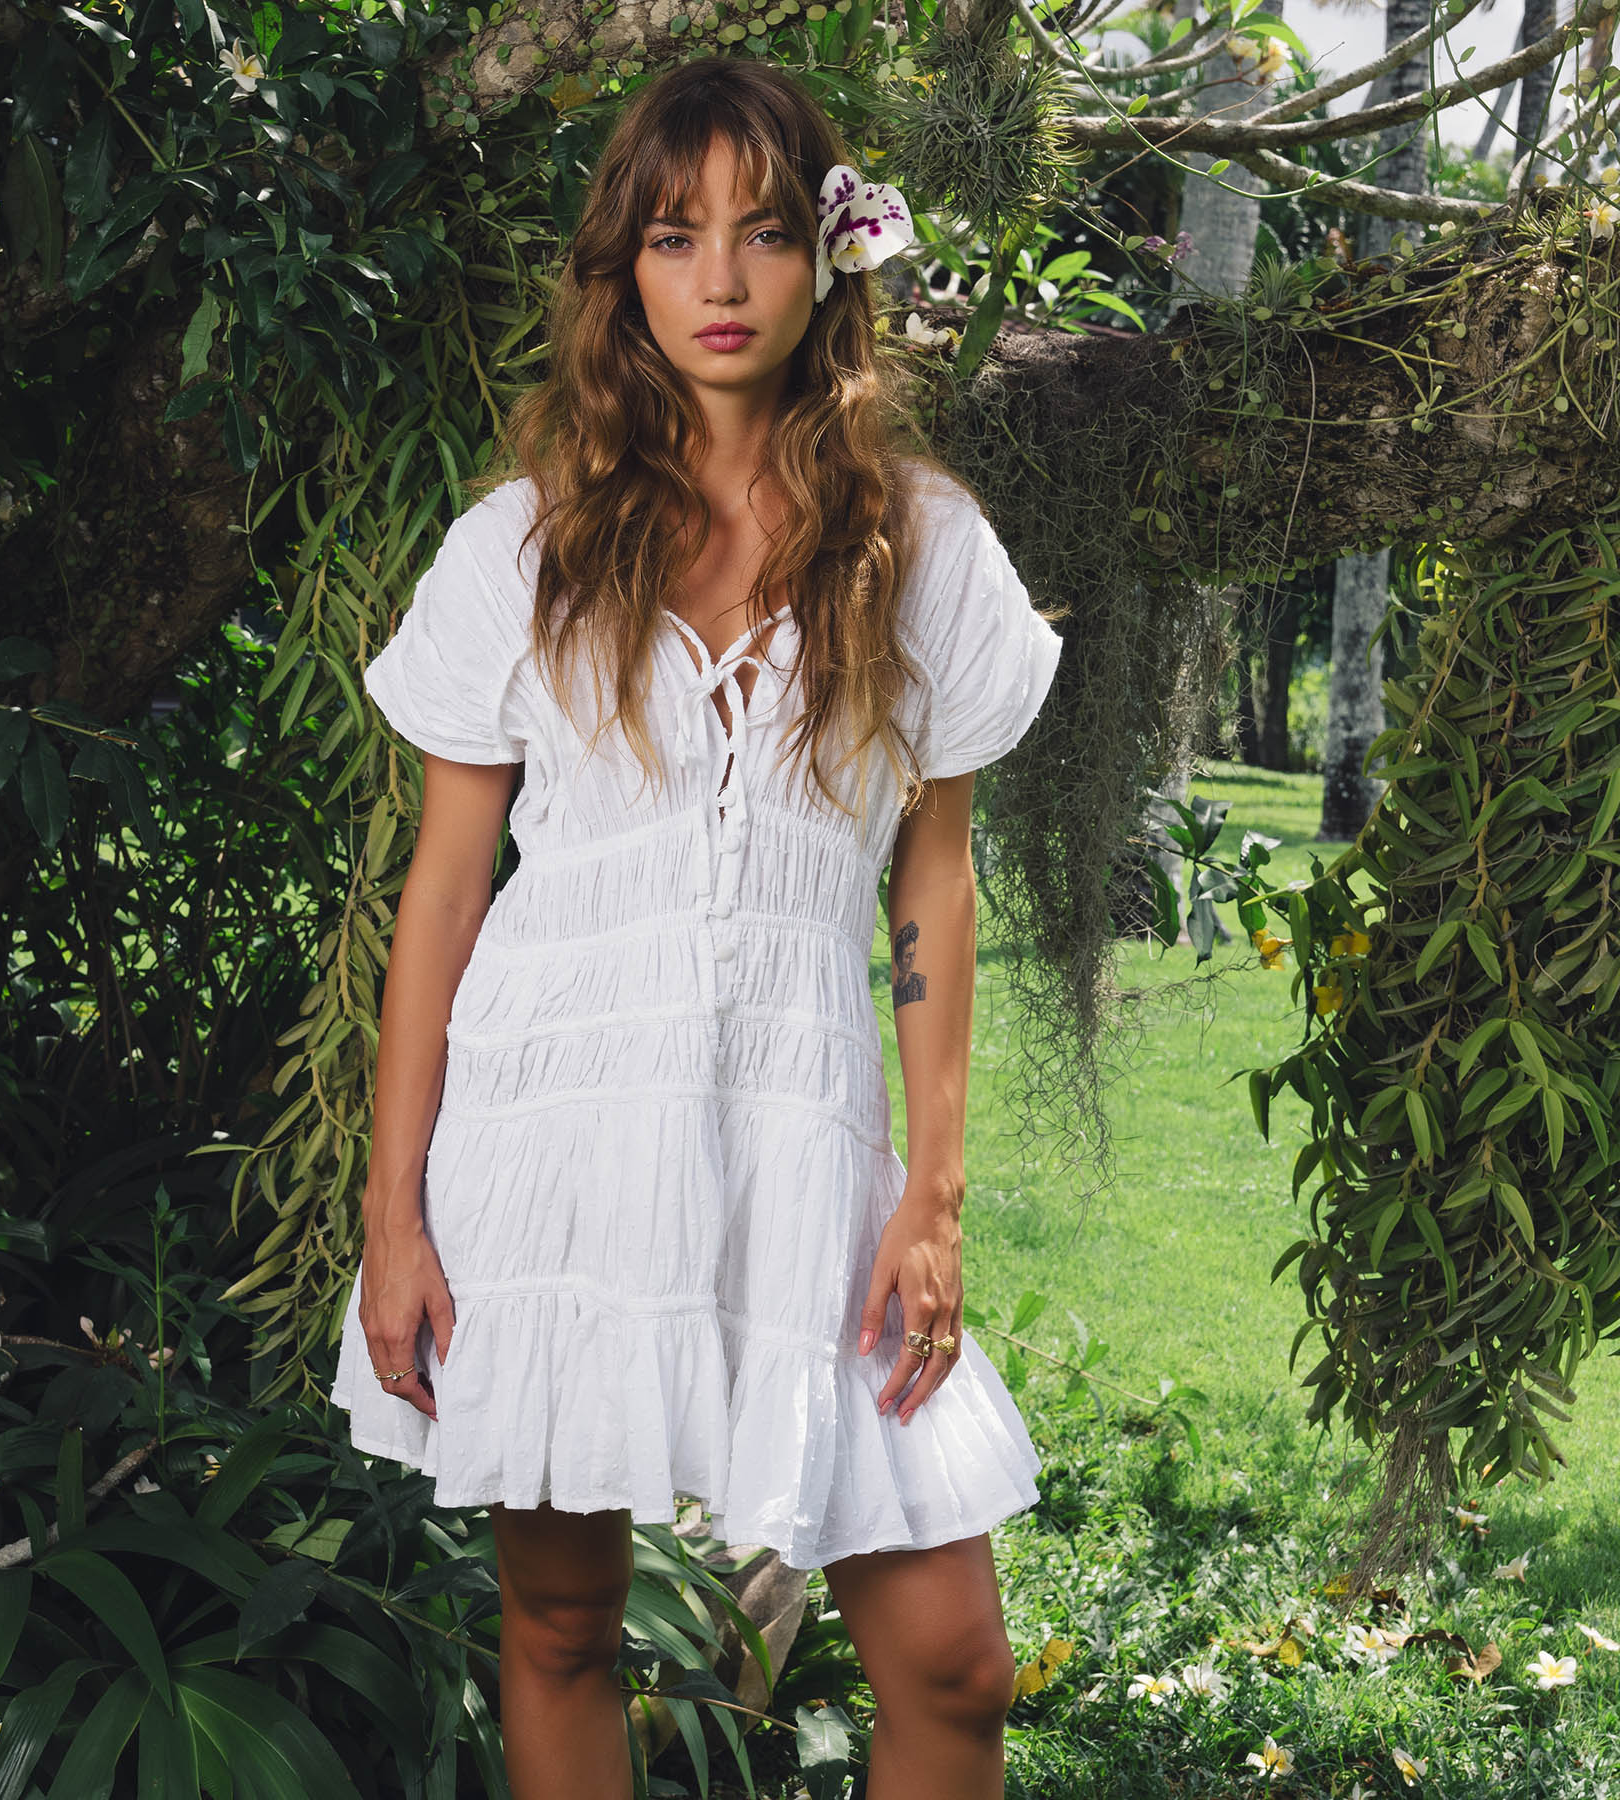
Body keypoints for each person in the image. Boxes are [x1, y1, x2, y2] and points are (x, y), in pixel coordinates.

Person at [329, 54, 1065, 1800]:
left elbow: (932, 885)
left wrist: (932, 1199)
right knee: (564, 1627)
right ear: (623, 270)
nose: (720, 283)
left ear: (828, 262)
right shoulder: (521, 547)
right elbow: (444, 891)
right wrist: (394, 1209)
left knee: (955, 1668)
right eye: (674, 237)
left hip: (809, 1145)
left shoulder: (922, 548)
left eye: (759, 234)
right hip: (556, 1135)